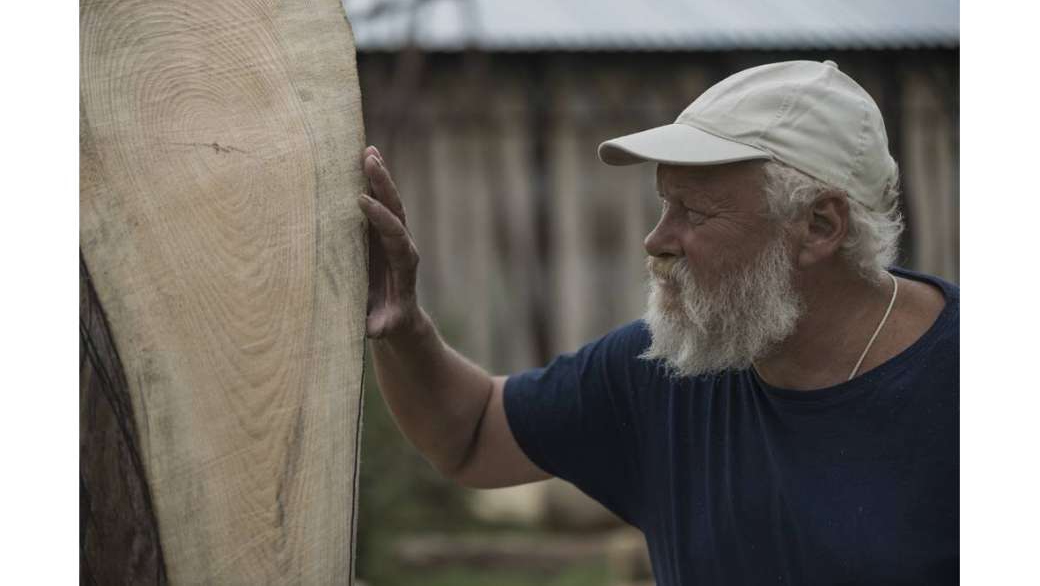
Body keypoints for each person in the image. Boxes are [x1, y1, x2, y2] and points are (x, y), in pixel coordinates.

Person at [355, 60, 958, 585]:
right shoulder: (673, 365)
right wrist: (404, 328)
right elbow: (474, 436)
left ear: (820, 226)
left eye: (693, 211)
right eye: (664, 203)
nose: (656, 239)